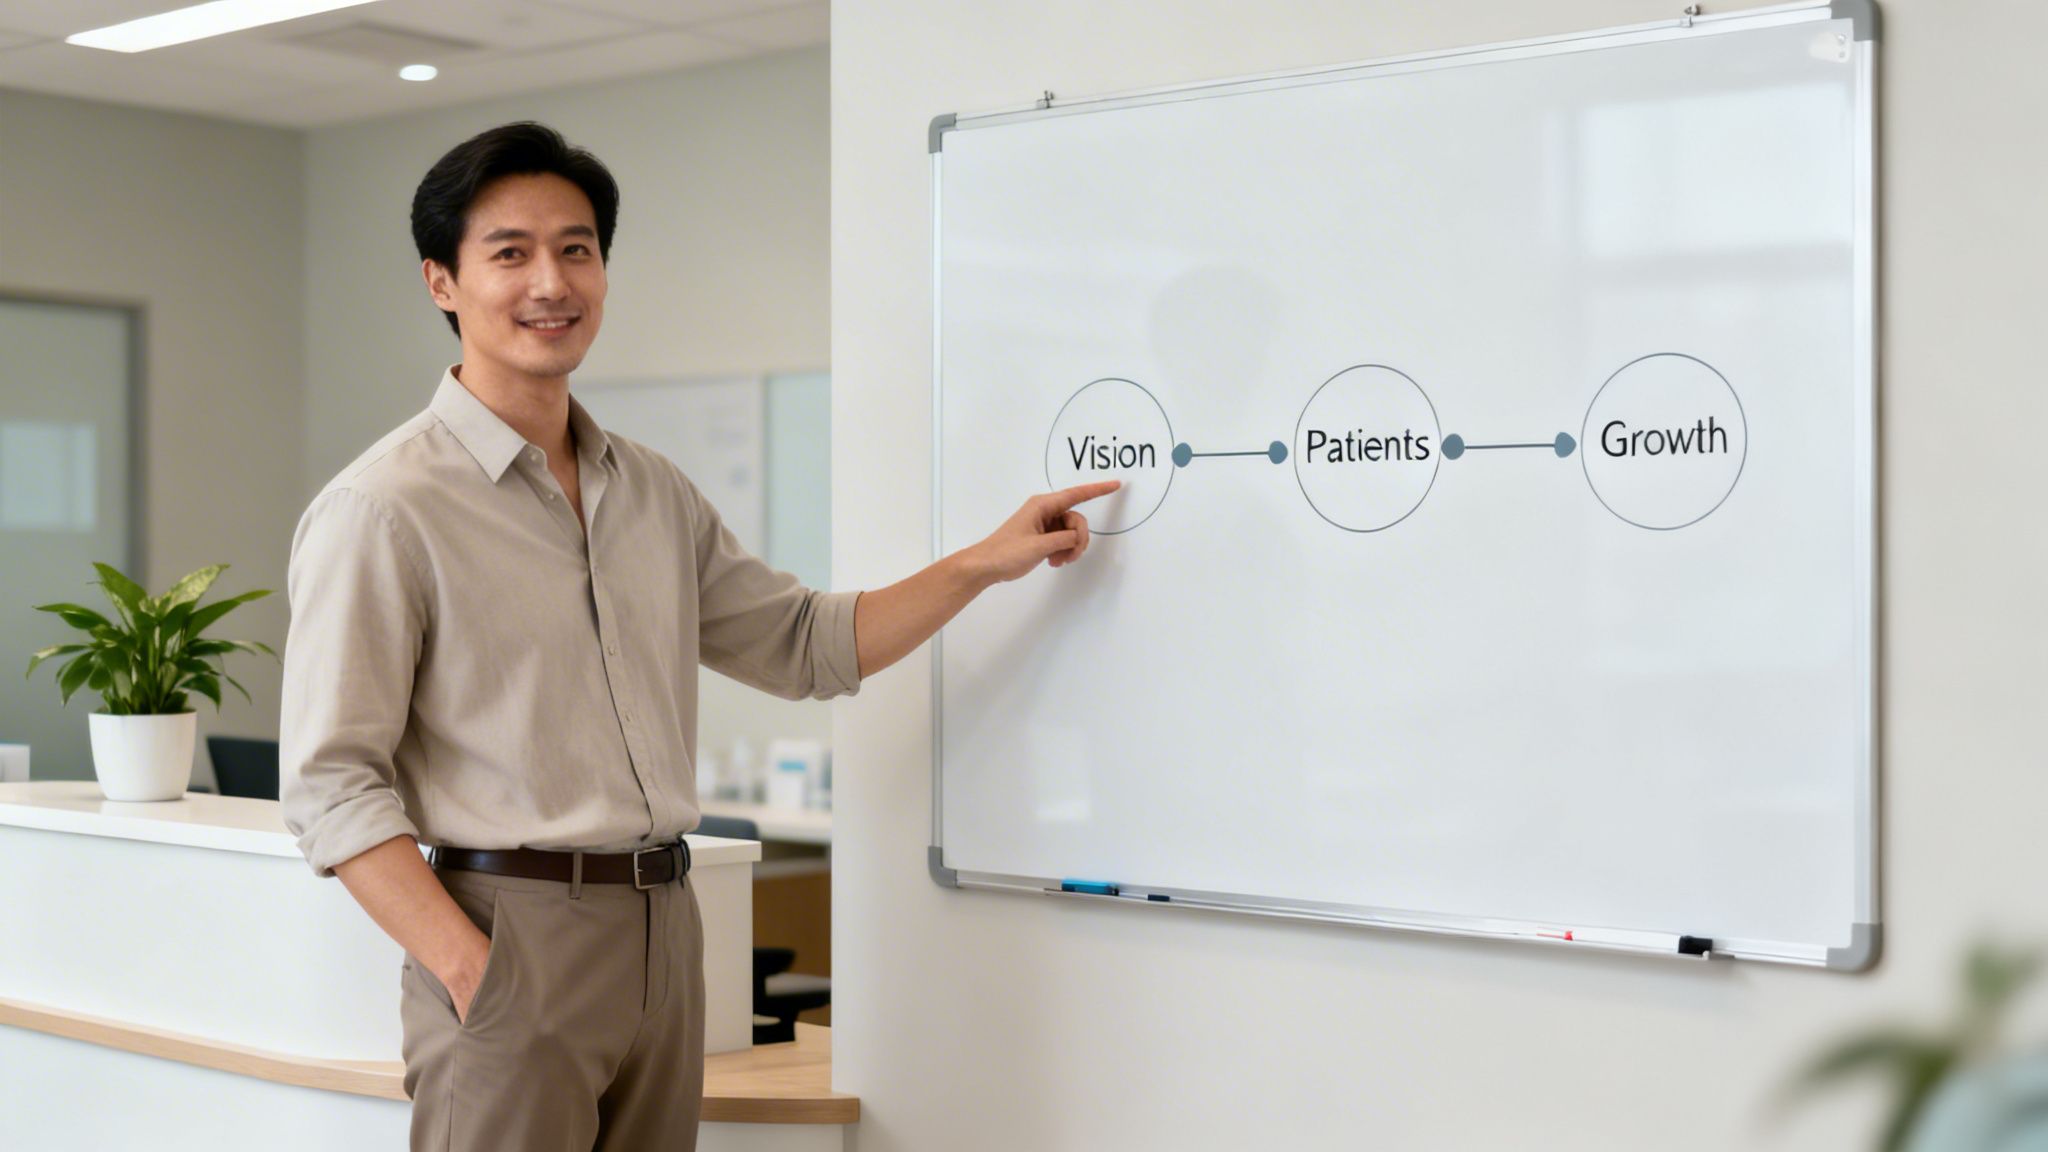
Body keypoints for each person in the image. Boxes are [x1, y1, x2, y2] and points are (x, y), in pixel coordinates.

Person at [278, 121, 1114, 1152]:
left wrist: (984, 561)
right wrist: (472, 969)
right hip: (510, 931)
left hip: (664, 934)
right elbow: (329, 784)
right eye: (510, 253)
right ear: (442, 282)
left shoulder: (650, 492)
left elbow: (808, 645)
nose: (551, 280)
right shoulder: (383, 507)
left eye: (576, 249)